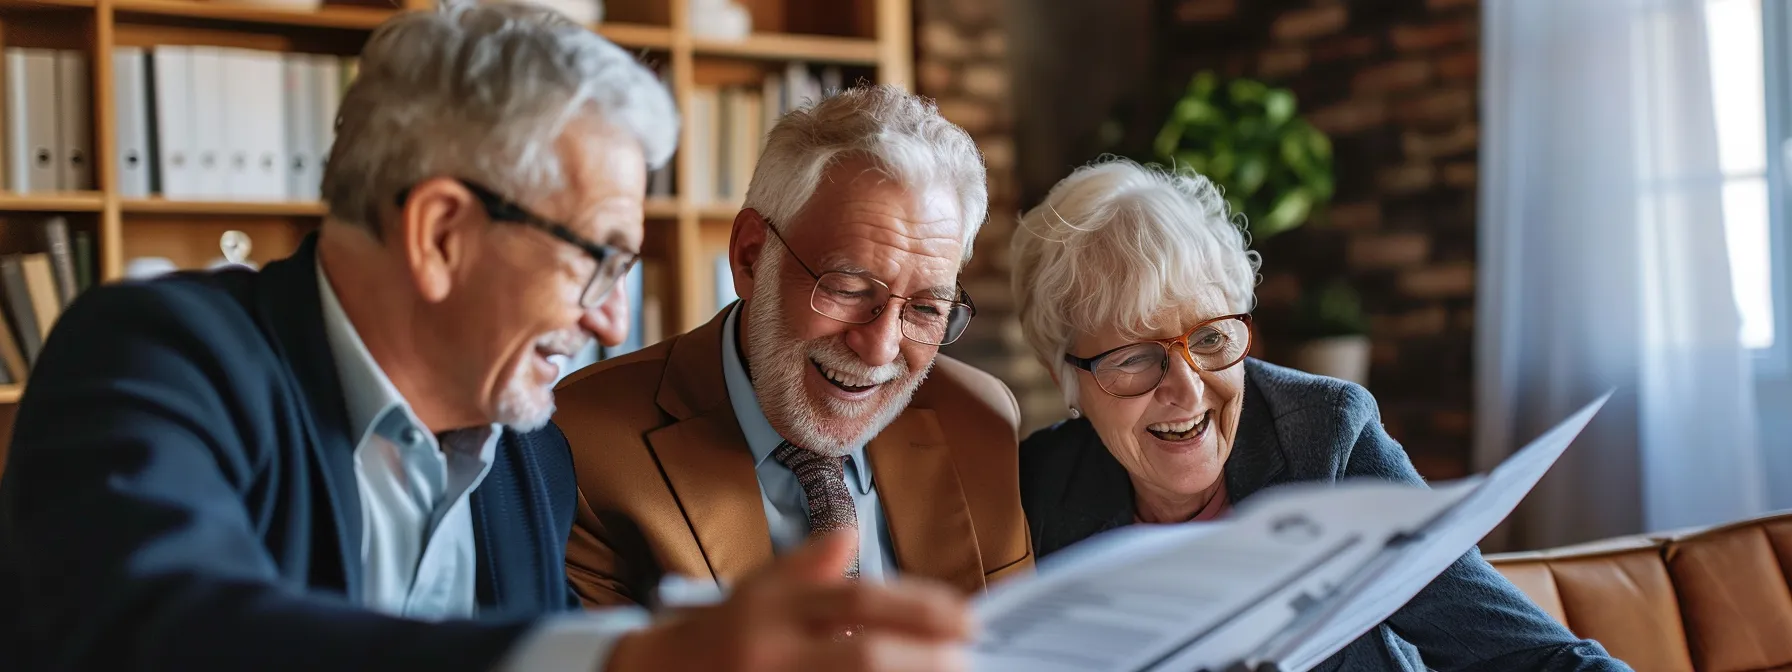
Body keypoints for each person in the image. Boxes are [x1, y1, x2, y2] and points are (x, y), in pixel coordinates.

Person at [0, 5, 974, 671]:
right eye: (596, 261)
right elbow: (158, 633)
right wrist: (627, 661)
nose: (606, 318)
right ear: (441, 235)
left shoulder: (529, 459)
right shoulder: (158, 357)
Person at [1009, 158, 1632, 671]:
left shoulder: (1324, 437)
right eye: (1135, 358)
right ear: (1067, 376)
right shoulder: (1042, 487)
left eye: (1208, 339)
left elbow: (1529, 655)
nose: (1188, 390)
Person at [551, 84, 1033, 608]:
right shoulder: (582, 446)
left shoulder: (982, 420)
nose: (879, 349)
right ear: (751, 257)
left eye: (925, 309)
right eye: (847, 290)